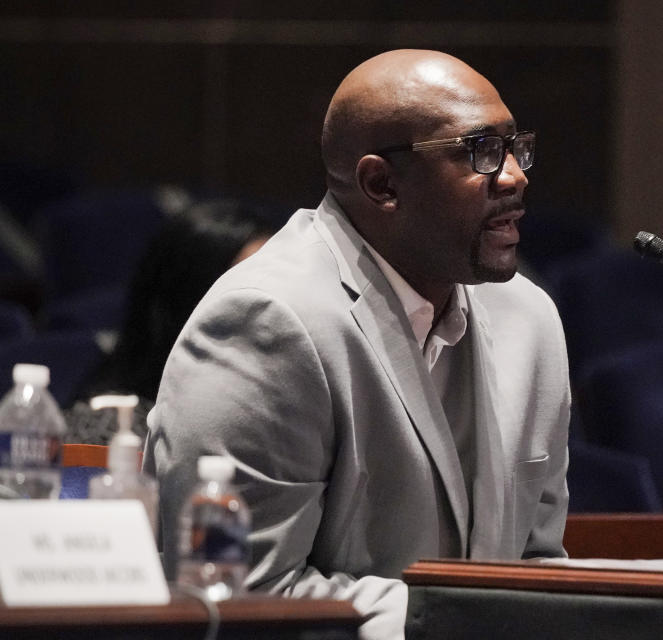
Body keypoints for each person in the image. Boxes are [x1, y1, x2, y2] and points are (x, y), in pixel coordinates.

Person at [143, 49, 571, 639]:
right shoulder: (268, 320)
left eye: (515, 147)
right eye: (480, 152)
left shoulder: (530, 318)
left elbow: (536, 564)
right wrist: (471, 622)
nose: (516, 176)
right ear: (381, 183)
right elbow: (243, 594)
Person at [64, 198, 281, 444]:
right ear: (185, 301)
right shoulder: (113, 426)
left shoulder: (280, 407)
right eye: (245, 294)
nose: (272, 311)